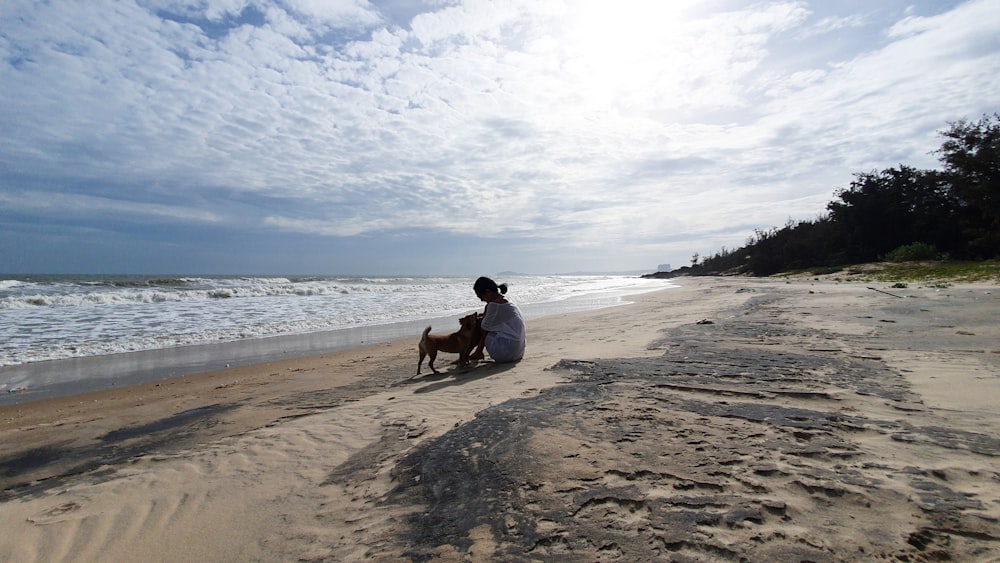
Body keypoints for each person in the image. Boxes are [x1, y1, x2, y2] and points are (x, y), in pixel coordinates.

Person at [470, 276, 525, 363]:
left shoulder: (492, 305)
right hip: (518, 352)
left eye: (481, 296)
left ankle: (474, 352)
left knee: (478, 323)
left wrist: (485, 312)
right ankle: (477, 352)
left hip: (505, 353)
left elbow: (484, 327)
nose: (481, 300)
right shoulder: (508, 301)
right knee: (485, 322)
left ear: (488, 292)